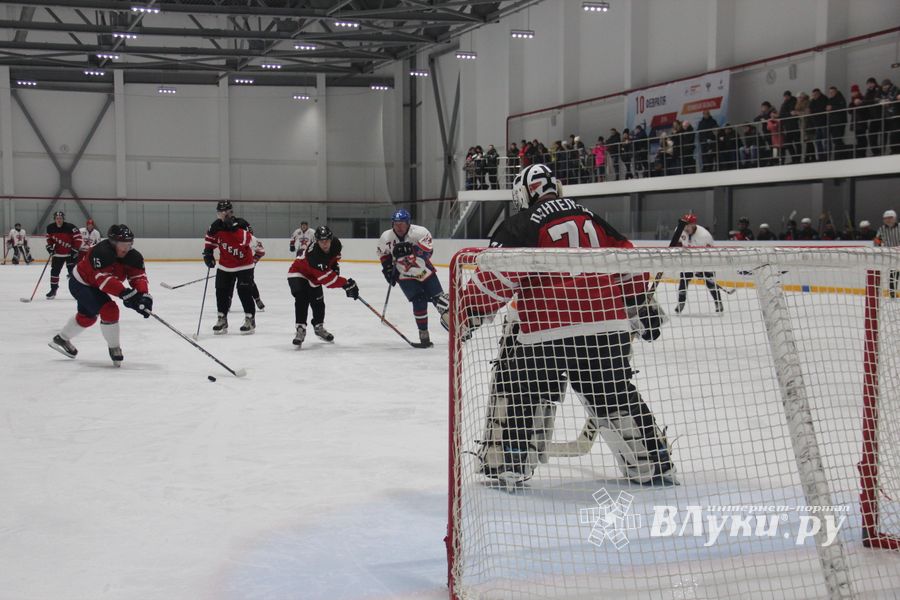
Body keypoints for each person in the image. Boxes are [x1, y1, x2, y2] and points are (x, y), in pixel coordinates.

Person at [456, 163, 674, 486]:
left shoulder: (522, 223)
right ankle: (653, 461)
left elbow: (498, 275)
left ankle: (509, 460)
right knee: (612, 392)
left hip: (547, 329)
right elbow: (629, 262)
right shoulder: (593, 219)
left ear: (523, 194)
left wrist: (467, 312)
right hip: (606, 327)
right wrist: (642, 306)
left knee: (523, 386)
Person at [47, 224, 151, 366]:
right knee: (110, 310)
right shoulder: (101, 251)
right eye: (122, 244)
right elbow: (103, 280)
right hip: (80, 283)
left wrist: (143, 295)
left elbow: (138, 277)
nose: (126, 248)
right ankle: (114, 348)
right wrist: (125, 293)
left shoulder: (134, 256)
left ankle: (61, 339)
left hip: (94, 286)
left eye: (129, 244)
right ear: (113, 243)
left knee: (88, 318)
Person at [376, 209, 448, 348]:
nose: (399, 227)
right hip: (404, 275)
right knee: (419, 301)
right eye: (396, 224)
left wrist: (411, 249)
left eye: (402, 224)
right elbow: (383, 254)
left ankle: (456, 330)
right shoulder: (386, 237)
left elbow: (428, 252)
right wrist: (387, 269)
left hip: (425, 272)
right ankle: (423, 334)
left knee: (440, 301)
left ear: (408, 223)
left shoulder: (420, 232)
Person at [287, 225, 358, 347]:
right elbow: (328, 281)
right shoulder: (314, 255)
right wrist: (345, 284)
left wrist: (334, 266)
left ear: (331, 239)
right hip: (298, 272)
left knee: (318, 301)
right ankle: (300, 329)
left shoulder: (336, 244)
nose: (325, 244)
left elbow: (333, 259)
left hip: (314, 276)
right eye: (321, 241)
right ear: (316, 241)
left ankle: (319, 327)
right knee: (302, 298)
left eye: (327, 241)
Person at [202, 200, 259, 334]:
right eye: (220, 212)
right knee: (221, 291)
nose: (222, 215)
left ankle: (250, 318)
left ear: (230, 212)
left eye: (225, 212)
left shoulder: (242, 224)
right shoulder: (215, 226)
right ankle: (222, 318)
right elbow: (209, 241)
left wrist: (235, 229)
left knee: (244, 291)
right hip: (225, 265)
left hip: (244, 265)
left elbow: (251, 239)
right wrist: (208, 254)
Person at [675, 214, 722, 314]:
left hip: (704, 263)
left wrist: (700, 269)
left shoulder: (705, 236)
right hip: (688, 262)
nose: (685, 228)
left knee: (711, 284)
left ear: (694, 224)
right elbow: (677, 244)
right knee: (683, 282)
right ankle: (681, 303)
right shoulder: (679, 230)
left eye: (688, 225)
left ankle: (718, 302)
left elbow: (709, 255)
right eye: (684, 225)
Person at [45, 211, 83, 299]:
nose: (59, 220)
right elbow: (49, 239)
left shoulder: (70, 227)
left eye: (60, 218)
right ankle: (53, 290)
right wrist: (49, 247)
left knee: (73, 274)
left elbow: (78, 238)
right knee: (54, 272)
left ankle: (78, 291)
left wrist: (75, 249)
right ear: (55, 219)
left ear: (63, 219)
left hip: (70, 254)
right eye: (57, 218)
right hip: (58, 254)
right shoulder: (50, 227)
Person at [875, 209, 900, 298]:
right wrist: (878, 247)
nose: (888, 220)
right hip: (891, 255)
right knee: (893, 274)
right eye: (886, 218)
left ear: (895, 218)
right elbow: (877, 239)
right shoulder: (882, 229)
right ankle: (892, 293)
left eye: (890, 218)